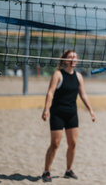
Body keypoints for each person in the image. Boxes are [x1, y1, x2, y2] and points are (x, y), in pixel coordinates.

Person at [41, 50, 96, 182]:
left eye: (75, 57)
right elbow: (50, 93)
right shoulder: (58, 74)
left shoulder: (78, 76)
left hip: (72, 114)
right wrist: (46, 109)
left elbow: (83, 95)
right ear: (65, 60)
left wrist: (91, 110)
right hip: (57, 113)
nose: (73, 59)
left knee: (73, 144)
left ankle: (68, 170)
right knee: (55, 144)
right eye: (70, 57)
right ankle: (46, 171)